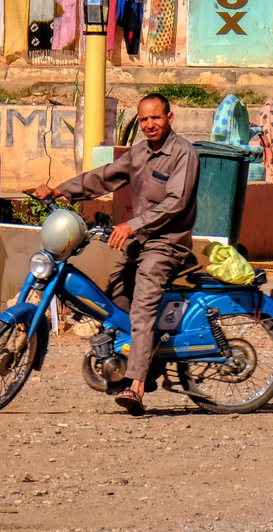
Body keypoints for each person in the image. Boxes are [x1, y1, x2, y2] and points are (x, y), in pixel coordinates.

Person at [34, 93, 199, 416]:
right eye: (144, 120)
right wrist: (60, 190)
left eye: (156, 118)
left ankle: (136, 387)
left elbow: (176, 202)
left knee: (142, 308)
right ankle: (134, 365)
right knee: (115, 295)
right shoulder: (138, 153)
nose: (150, 124)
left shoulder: (184, 154)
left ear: (170, 118)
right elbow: (104, 177)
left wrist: (132, 225)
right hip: (139, 241)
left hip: (167, 243)